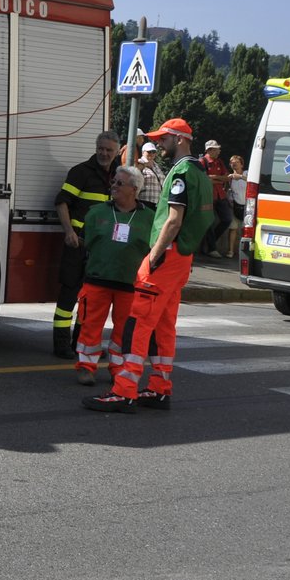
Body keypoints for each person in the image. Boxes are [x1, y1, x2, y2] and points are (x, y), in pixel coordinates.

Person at [84, 116, 214, 413]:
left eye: (164, 139)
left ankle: (124, 390)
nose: (159, 144)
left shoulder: (180, 172)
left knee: (138, 324)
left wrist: (154, 256)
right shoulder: (200, 172)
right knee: (164, 327)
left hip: (166, 258)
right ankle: (159, 387)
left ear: (180, 139)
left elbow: (173, 219)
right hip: (182, 258)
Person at [73, 165, 154, 385]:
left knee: (123, 331)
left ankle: (118, 368)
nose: (114, 186)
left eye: (120, 183)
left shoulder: (150, 218)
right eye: (114, 181)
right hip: (97, 279)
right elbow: (83, 240)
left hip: (130, 284)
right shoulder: (97, 212)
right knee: (90, 325)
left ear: (134, 189)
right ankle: (86, 367)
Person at [51, 131, 122, 358]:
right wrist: (69, 232)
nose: (104, 153)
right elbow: (62, 202)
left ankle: (80, 343)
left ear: (117, 151)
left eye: (109, 150)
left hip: (101, 248)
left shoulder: (118, 176)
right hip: (77, 244)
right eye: (100, 148)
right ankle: (61, 345)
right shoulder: (80, 172)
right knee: (68, 295)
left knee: (91, 299)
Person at [198, 140, 231, 257]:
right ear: (210, 150)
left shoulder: (219, 162)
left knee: (227, 219)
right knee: (209, 222)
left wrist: (214, 178)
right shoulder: (202, 161)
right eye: (217, 149)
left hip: (220, 195)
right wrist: (218, 179)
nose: (219, 151)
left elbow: (227, 178)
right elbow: (204, 179)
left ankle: (208, 243)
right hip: (208, 197)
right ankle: (211, 248)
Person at [223, 154, 248, 257]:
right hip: (235, 206)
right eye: (232, 163)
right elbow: (226, 191)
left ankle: (244, 252)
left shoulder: (247, 173)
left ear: (241, 164)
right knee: (232, 228)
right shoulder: (230, 178)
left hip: (247, 207)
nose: (234, 165)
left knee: (245, 230)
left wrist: (241, 177)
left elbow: (252, 181)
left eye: (236, 163)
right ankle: (230, 251)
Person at [136, 142, 162, 207]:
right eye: (149, 151)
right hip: (143, 201)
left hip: (157, 203)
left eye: (153, 151)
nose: (152, 154)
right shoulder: (138, 163)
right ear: (143, 152)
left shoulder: (156, 166)